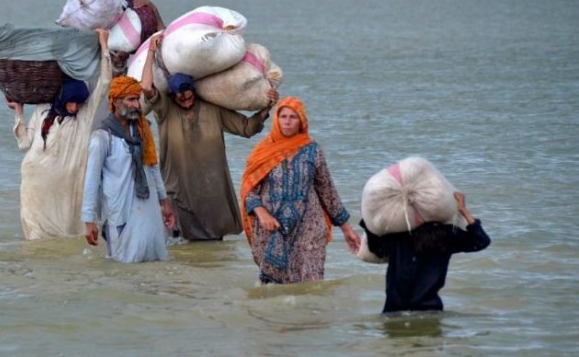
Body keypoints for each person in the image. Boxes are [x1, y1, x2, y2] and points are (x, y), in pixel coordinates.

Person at [140, 33, 278, 241]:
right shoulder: (165, 110)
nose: (185, 100)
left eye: (188, 96)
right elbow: (146, 87)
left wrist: (267, 107)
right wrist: (151, 50)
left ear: (194, 92)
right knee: (177, 241)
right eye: (180, 97)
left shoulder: (213, 109)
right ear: (172, 96)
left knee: (213, 241)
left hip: (211, 189)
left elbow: (247, 128)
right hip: (178, 189)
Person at [240, 96, 361, 284]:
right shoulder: (263, 151)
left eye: (293, 117)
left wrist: (347, 229)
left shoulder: (312, 150)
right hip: (272, 228)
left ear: (302, 122)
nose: (287, 122)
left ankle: (313, 312)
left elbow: (327, 192)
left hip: (309, 227)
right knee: (273, 290)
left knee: (312, 283)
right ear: (276, 119)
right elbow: (249, 190)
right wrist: (261, 213)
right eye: (284, 116)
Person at [6, 29, 112, 240]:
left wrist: (103, 45)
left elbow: (105, 83)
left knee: (67, 230)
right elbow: (24, 143)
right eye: (73, 102)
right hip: (35, 181)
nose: (75, 107)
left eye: (80, 103)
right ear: (63, 98)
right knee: (36, 234)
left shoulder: (83, 117)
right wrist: (19, 112)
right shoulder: (43, 111)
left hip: (66, 184)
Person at [81, 75, 176, 263]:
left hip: (147, 208)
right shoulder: (102, 137)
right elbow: (91, 181)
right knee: (123, 266)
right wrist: (88, 220)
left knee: (152, 260)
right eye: (131, 100)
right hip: (119, 212)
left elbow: (153, 167)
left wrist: (165, 202)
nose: (136, 105)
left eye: (137, 100)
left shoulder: (142, 130)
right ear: (116, 102)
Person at [360, 191, 491, 313]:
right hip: (429, 310)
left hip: (395, 310)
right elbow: (481, 241)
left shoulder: (398, 235)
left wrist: (369, 218)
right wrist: (463, 210)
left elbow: (377, 249)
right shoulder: (447, 235)